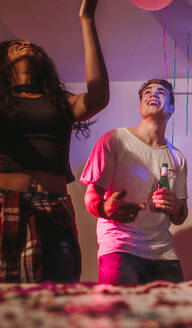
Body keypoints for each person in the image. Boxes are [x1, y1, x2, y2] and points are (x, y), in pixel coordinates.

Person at [0, 0, 109, 283]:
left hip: (54, 206)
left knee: (58, 290)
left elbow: (98, 97)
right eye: (18, 44)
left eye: (34, 45)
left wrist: (87, 19)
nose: (28, 44)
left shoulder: (60, 102)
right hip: (3, 204)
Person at [80, 79, 188, 285]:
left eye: (161, 92)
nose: (153, 94)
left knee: (173, 314)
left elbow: (181, 215)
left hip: (164, 254)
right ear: (140, 107)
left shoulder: (178, 158)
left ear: (171, 108)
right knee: (118, 314)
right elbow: (91, 195)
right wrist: (103, 208)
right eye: (147, 92)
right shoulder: (114, 140)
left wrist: (175, 207)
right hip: (119, 248)